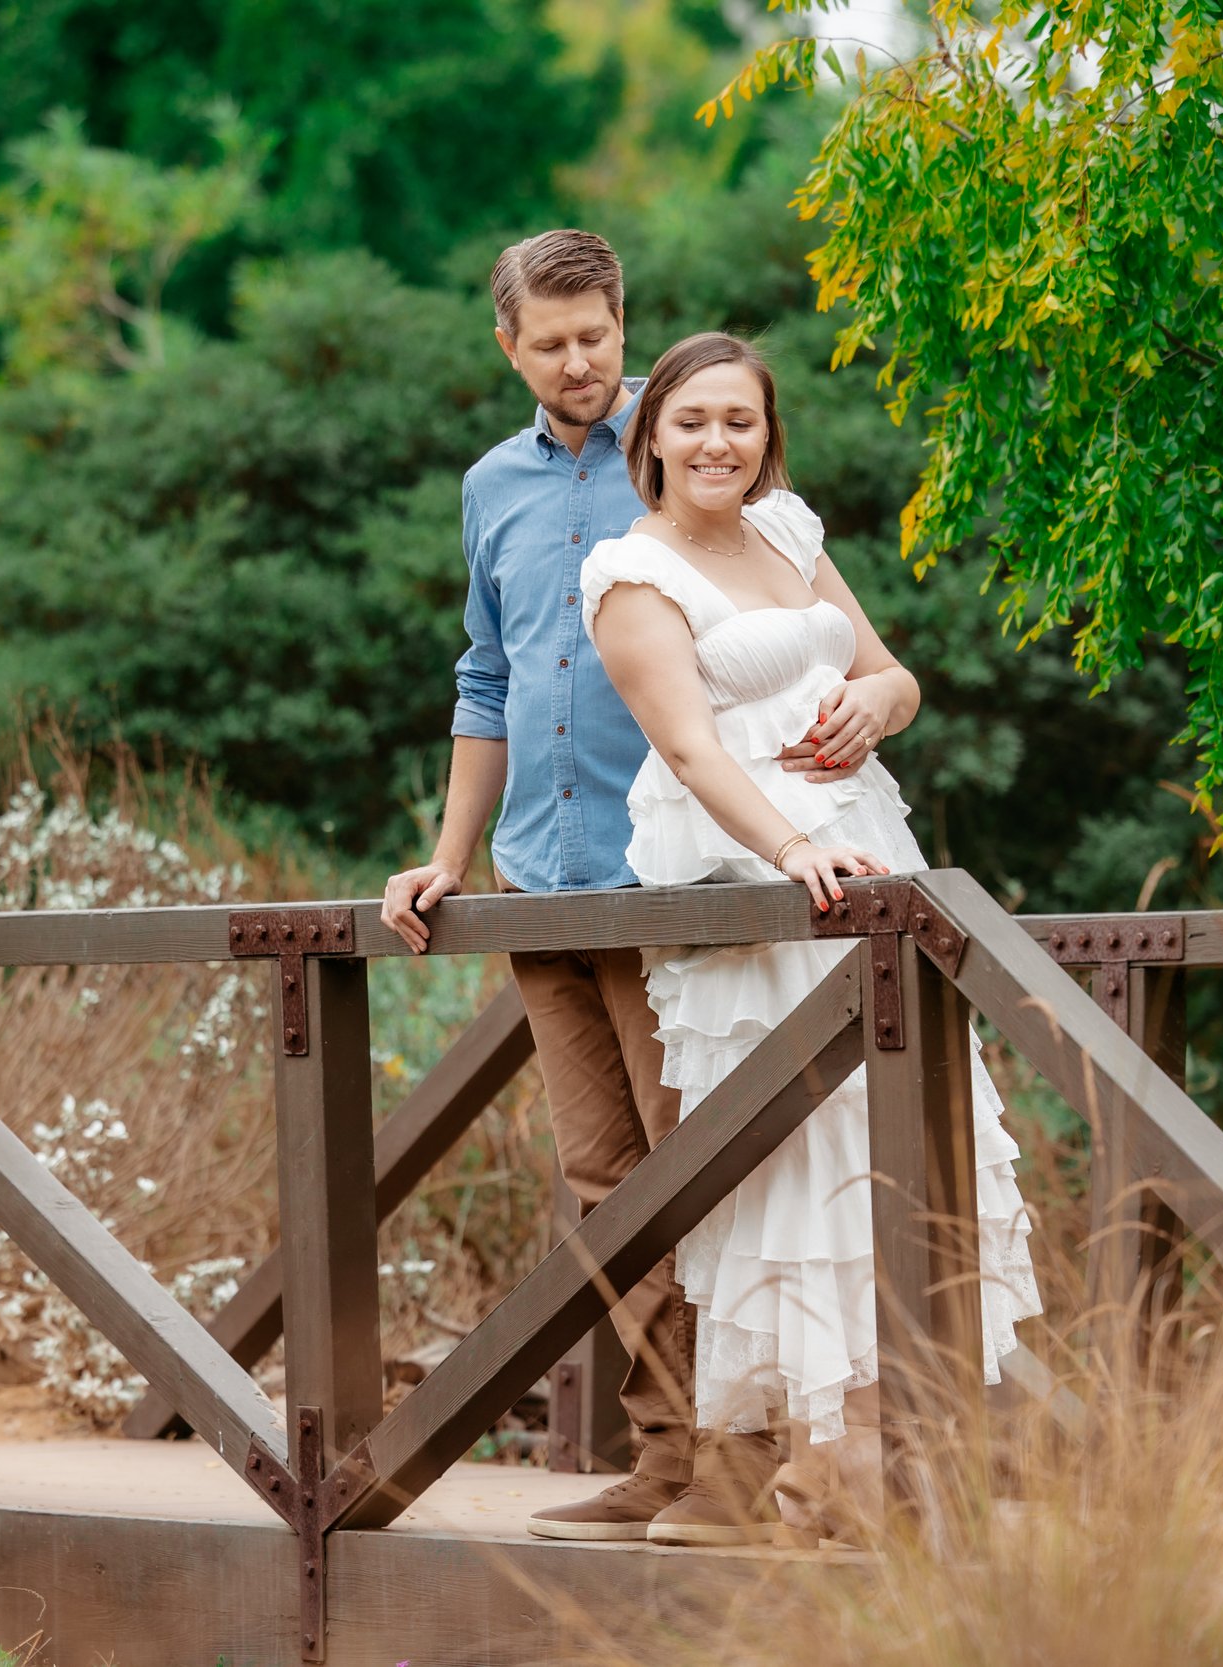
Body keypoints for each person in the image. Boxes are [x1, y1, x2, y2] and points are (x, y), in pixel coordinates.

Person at [380, 232, 866, 1547]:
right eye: (553, 342)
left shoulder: (696, 466)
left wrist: (869, 703)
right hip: (543, 876)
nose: (582, 361)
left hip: (677, 882)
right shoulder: (492, 487)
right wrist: (447, 854)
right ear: (510, 346)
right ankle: (665, 1454)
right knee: (605, 1182)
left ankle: (744, 1457)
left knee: (702, 1168)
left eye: (599, 335)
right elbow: (489, 680)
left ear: (624, 322)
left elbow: (807, 634)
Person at [578, 330, 1041, 1470]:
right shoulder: (629, 572)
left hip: (873, 853)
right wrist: (792, 849)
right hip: (764, 880)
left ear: (766, 433)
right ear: (651, 439)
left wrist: (875, 708)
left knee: (914, 1124)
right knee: (802, 1156)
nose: (716, 441)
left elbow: (894, 671)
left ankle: (905, 1440)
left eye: (739, 420)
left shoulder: (790, 529)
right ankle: (822, 1465)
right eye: (690, 421)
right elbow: (687, 749)